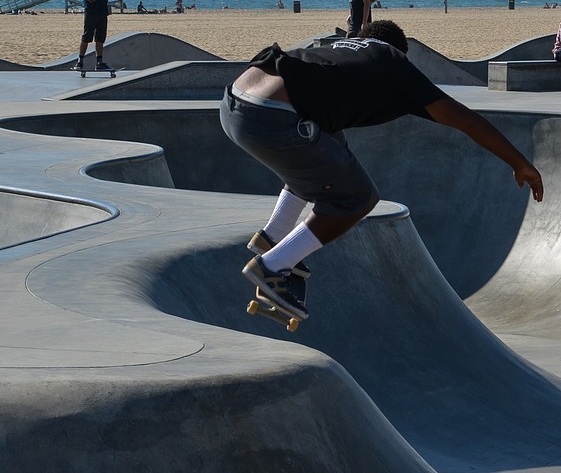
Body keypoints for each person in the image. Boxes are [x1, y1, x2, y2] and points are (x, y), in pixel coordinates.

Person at [220, 20, 544, 320]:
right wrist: (519, 162)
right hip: (271, 117)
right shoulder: (394, 64)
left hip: (234, 100)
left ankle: (273, 236)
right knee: (357, 197)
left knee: (328, 148)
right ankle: (272, 266)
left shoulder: (339, 49)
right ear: (403, 52)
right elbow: (466, 120)